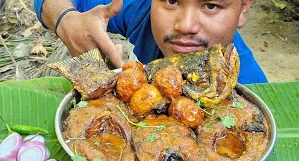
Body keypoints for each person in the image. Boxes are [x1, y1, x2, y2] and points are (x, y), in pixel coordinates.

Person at [34, 0, 268, 84]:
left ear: (243, 8)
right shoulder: (141, 13)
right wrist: (65, 19)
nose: (185, 25)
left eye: (210, 5)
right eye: (172, 0)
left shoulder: (248, 88)